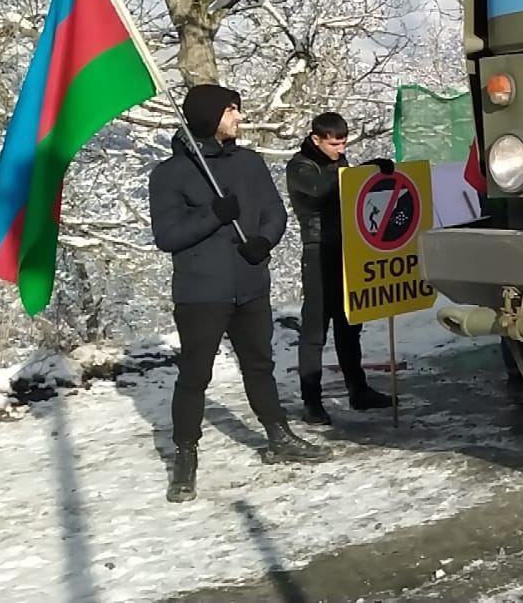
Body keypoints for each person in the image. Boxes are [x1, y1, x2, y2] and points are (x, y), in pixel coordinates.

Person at [149, 83, 328, 504]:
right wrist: (214, 215)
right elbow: (167, 235)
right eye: (232, 111)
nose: (240, 118)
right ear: (210, 116)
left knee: (259, 365)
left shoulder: (248, 163)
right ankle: (185, 456)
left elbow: (274, 211)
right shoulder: (169, 174)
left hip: (250, 285)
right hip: (201, 293)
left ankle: (278, 434)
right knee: (195, 376)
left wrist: (264, 242)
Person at [285, 111, 394, 424]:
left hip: (346, 250)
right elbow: (325, 189)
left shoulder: (339, 162)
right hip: (319, 252)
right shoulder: (300, 166)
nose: (340, 150)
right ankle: (312, 401)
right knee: (315, 331)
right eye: (334, 144)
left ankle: (358, 390)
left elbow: (348, 190)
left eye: (344, 143)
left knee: (350, 325)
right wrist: (368, 170)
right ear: (316, 139)